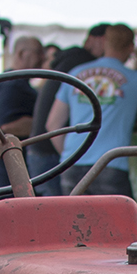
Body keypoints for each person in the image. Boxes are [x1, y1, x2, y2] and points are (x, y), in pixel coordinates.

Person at [45, 23, 137, 197]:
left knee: (75, 223)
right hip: (111, 163)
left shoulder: (75, 73)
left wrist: (70, 156)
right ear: (131, 47)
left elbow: (53, 124)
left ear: (104, 43)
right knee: (118, 223)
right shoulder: (135, 79)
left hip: (73, 163)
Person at [31, 24, 108, 195]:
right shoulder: (84, 65)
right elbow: (53, 124)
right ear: (99, 40)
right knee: (59, 217)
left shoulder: (69, 61)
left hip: (41, 148)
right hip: (51, 152)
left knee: (55, 216)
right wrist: (71, 156)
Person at [0, 35, 49, 190]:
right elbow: (8, 127)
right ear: (22, 54)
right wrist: (46, 125)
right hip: (13, 178)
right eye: (39, 52)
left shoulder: (16, 83)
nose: (43, 58)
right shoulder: (12, 85)